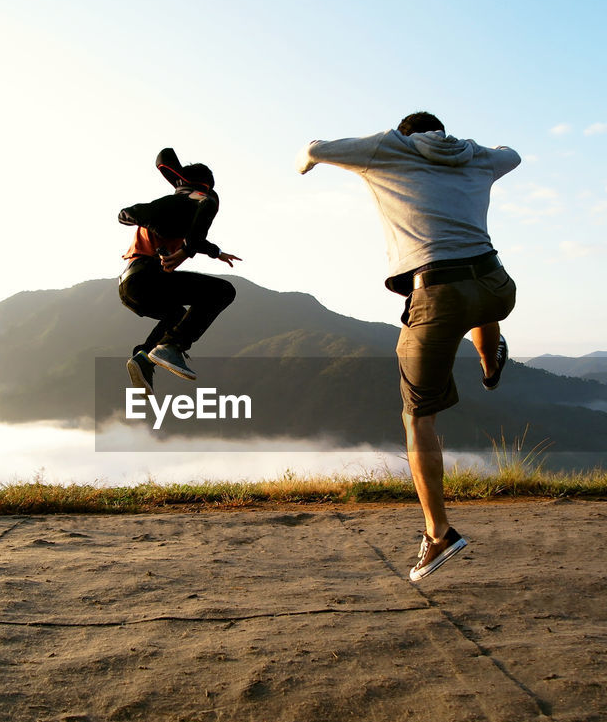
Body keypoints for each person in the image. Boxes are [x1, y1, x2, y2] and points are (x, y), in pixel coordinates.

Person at [296, 112, 519, 581]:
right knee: (479, 302)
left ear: (404, 133)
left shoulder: (389, 149)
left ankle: (438, 534)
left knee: (417, 417)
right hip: (497, 285)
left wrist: (304, 164)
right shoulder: (474, 158)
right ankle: (489, 360)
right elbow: (512, 155)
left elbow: (315, 148)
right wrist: (475, 151)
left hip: (437, 294)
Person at [118, 148, 241, 391]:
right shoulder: (177, 205)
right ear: (202, 188)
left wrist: (216, 252)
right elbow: (126, 214)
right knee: (223, 291)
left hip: (129, 285)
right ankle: (172, 347)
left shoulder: (183, 212)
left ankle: (143, 359)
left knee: (176, 316)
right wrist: (154, 224)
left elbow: (194, 239)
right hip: (145, 277)